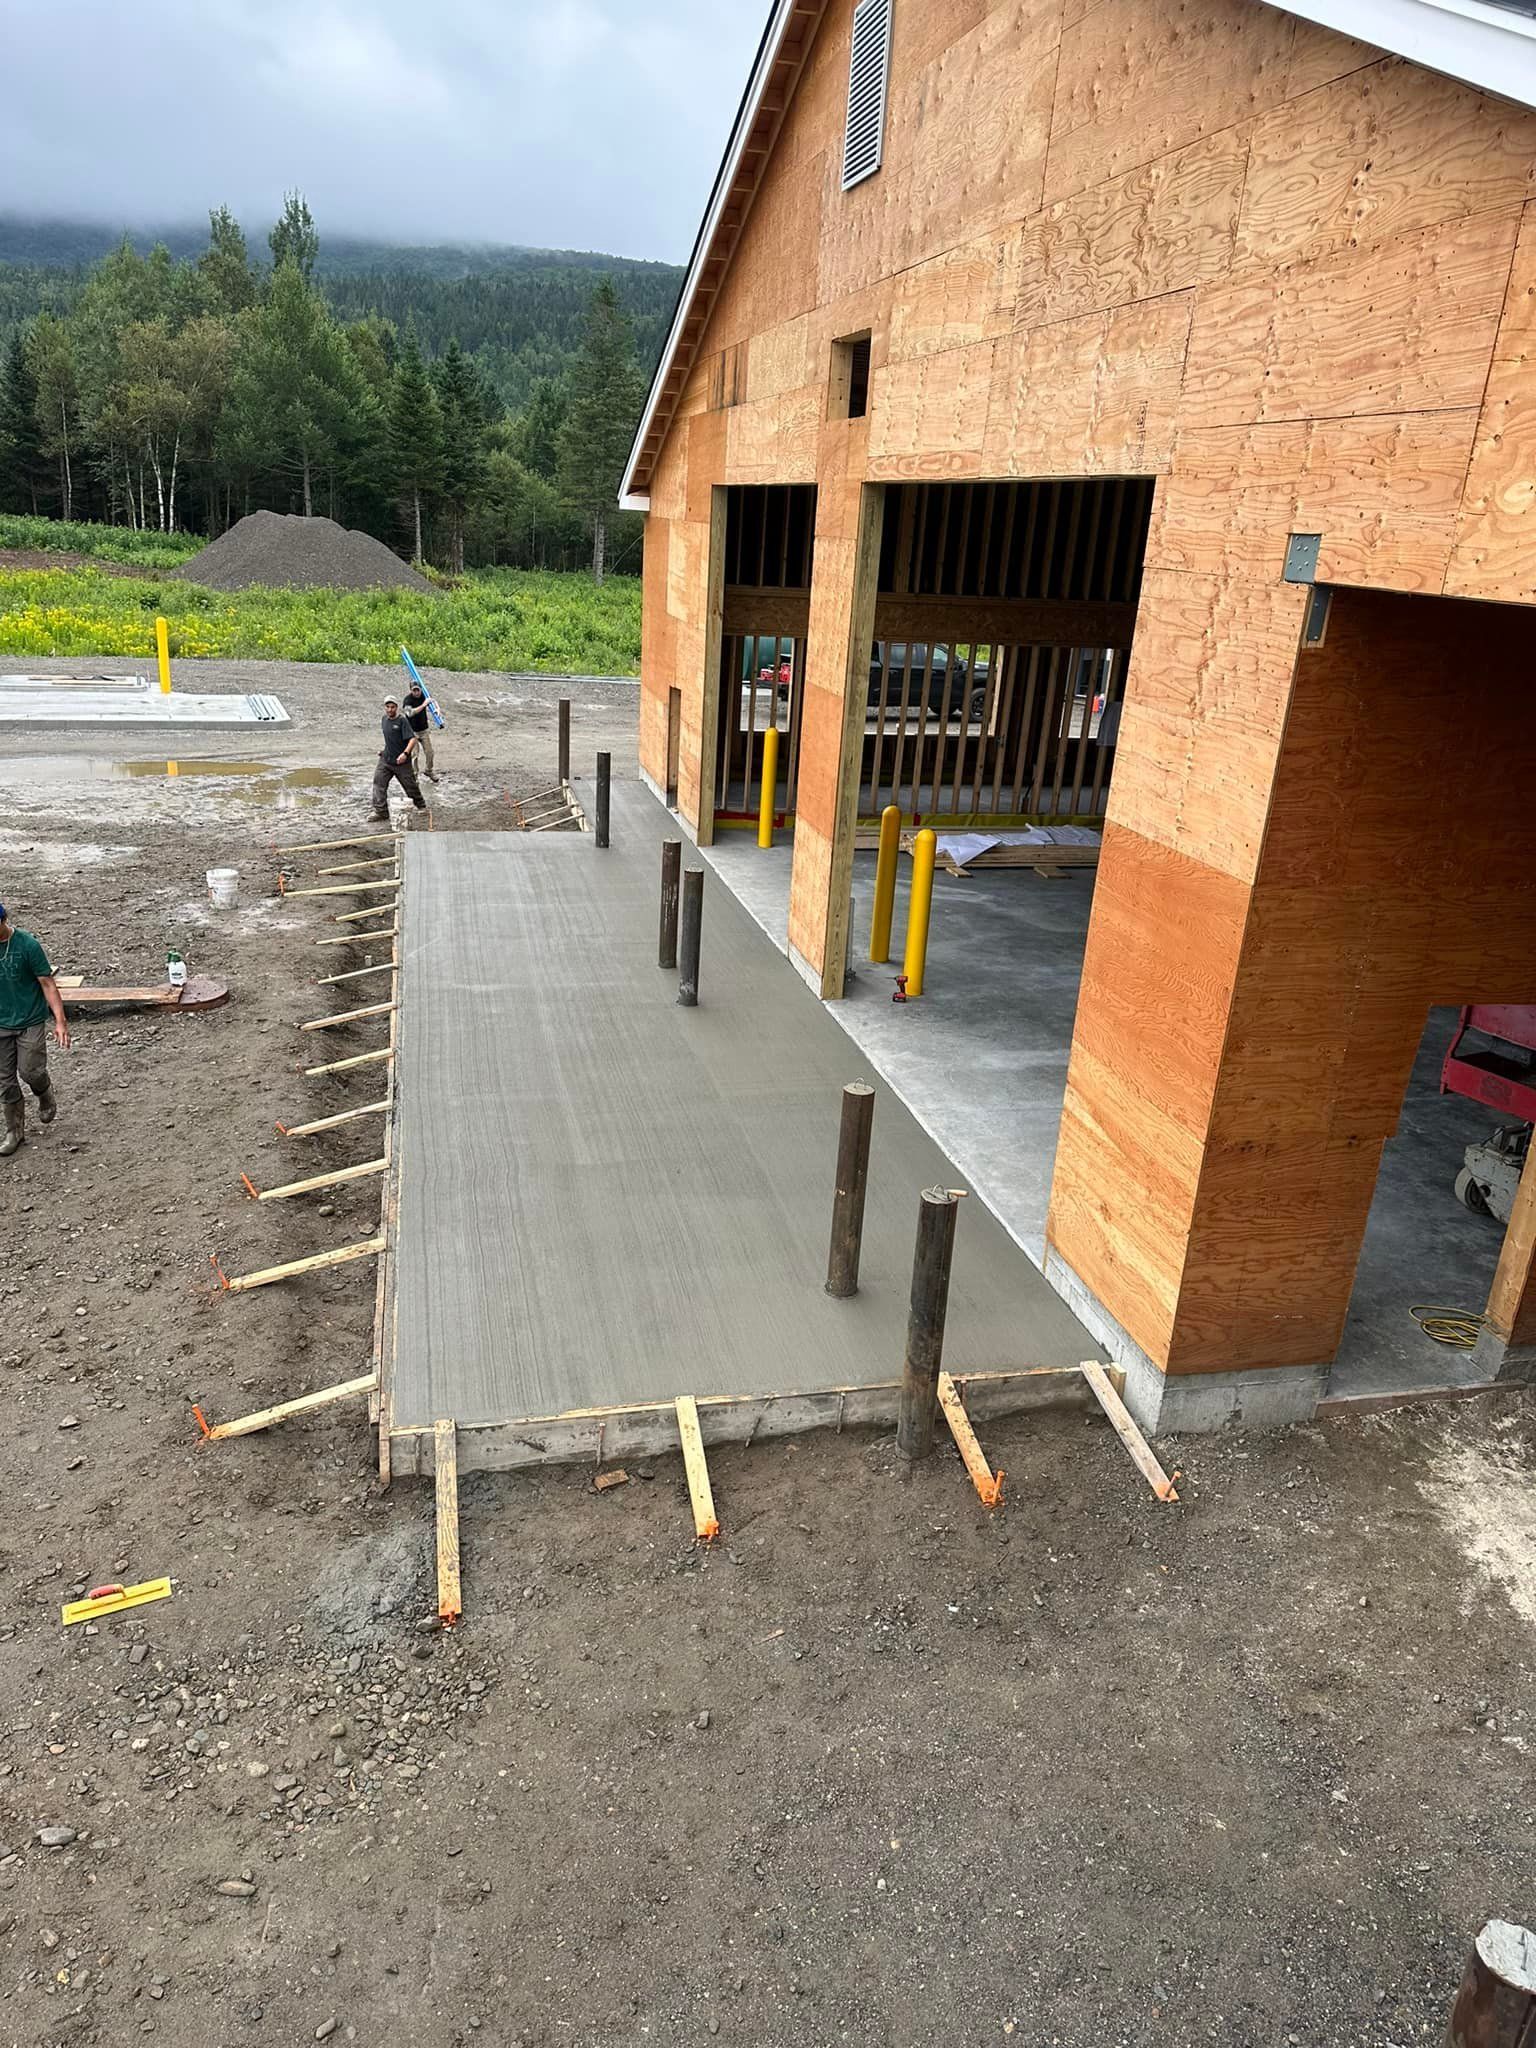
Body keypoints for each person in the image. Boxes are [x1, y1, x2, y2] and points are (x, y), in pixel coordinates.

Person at [0, 901, 70, 1158]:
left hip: (29, 1019)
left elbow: (48, 984)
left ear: (3, 920)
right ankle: (14, 1132)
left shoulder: (27, 945)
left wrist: (60, 1021)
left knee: (31, 1071)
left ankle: (44, 1092)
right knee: (4, 1082)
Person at [370, 696, 428, 822]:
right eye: (387, 707)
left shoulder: (402, 721)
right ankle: (381, 811)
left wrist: (405, 754)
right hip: (386, 760)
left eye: (392, 707)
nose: (390, 710)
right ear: (384, 707)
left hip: (401, 762)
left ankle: (421, 806)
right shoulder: (384, 719)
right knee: (378, 784)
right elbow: (390, 739)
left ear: (396, 707)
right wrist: (383, 751)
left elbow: (412, 739)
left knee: (410, 785)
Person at [403, 675, 439, 781]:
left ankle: (429, 770)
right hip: (412, 732)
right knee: (414, 754)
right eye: (414, 690)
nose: (416, 692)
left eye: (418, 690)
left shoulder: (424, 695)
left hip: (423, 730)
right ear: (411, 690)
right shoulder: (407, 700)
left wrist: (437, 709)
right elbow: (409, 713)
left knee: (430, 752)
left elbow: (433, 701)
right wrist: (423, 705)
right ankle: (414, 775)